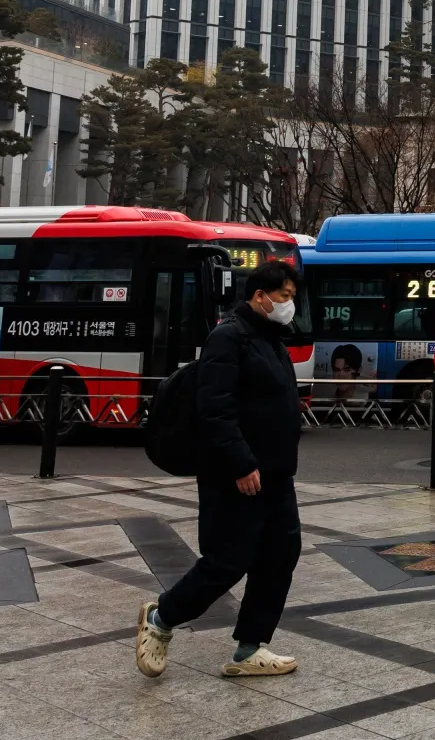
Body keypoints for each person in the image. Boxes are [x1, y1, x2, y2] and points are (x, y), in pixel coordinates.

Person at [136, 260, 304, 679]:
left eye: (292, 297)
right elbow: (215, 410)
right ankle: (161, 619)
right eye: (283, 296)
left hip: (276, 476)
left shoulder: (271, 339)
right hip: (237, 476)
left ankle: (250, 649)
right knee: (227, 561)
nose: (289, 304)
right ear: (260, 296)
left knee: (279, 558)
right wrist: (242, 462)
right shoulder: (229, 338)